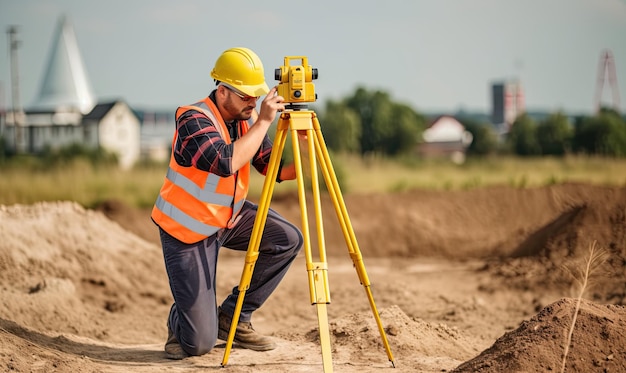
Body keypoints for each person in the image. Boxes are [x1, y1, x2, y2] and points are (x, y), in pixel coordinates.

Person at [151, 47, 303, 359]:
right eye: (247, 96)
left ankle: (233, 317)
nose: (254, 102)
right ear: (223, 92)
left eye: (256, 96)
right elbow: (224, 161)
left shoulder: (244, 121)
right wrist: (264, 121)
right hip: (187, 229)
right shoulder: (192, 119)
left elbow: (275, 170)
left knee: (287, 239)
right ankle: (182, 317)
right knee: (199, 344)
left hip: (227, 219)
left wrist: (303, 146)